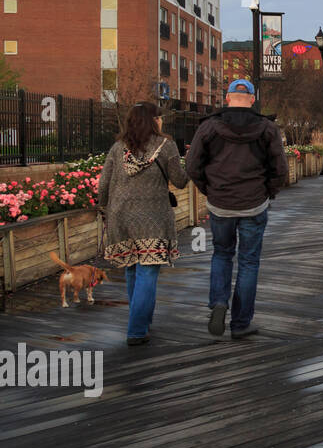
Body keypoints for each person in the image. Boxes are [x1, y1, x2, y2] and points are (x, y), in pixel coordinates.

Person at [186, 79, 289, 339]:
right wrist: (269, 191)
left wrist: (209, 189)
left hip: (220, 203)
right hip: (254, 203)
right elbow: (280, 169)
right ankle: (241, 323)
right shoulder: (267, 128)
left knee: (221, 254)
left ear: (228, 98)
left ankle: (219, 303)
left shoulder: (209, 127)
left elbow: (192, 165)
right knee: (248, 261)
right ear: (253, 99)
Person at [96, 102, 189, 346]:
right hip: (153, 218)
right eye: (160, 118)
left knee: (131, 268)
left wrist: (104, 207)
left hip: (121, 216)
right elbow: (179, 181)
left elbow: (103, 185)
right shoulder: (166, 146)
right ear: (154, 120)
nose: (162, 121)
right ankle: (137, 330)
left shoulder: (118, 147)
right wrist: (189, 164)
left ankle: (142, 321)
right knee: (148, 270)